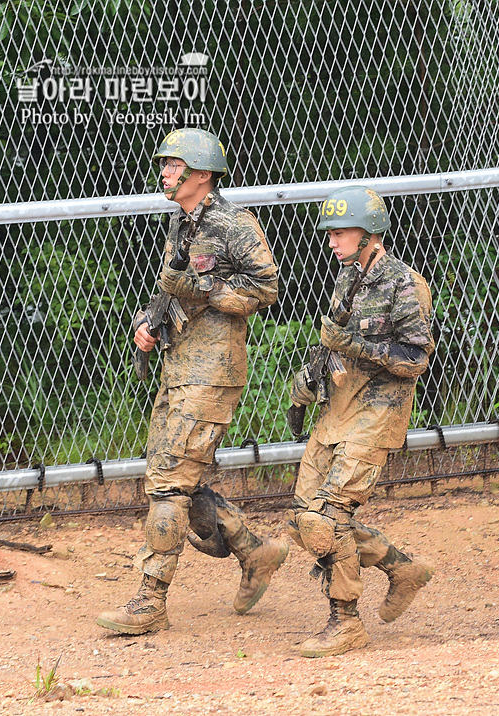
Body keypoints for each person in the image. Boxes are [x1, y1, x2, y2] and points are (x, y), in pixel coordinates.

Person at [96, 128, 286, 634]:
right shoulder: (180, 224)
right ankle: (254, 551)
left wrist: (202, 286)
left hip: (212, 373)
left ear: (201, 174)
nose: (164, 172)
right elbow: (176, 291)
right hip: (179, 367)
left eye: (173, 165)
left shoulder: (232, 222)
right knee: (183, 478)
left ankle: (149, 600)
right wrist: (149, 319)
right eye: (164, 164)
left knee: (166, 485)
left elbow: (266, 287)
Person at [285, 185, 436, 657]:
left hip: (378, 413)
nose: (331, 241)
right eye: (329, 232)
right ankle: (400, 568)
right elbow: (333, 345)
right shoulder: (346, 277)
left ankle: (345, 621)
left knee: (328, 517)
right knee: (302, 520)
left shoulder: (404, 284)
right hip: (338, 412)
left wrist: (354, 346)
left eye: (341, 231)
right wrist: (307, 382)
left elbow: (415, 360)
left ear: (371, 233)